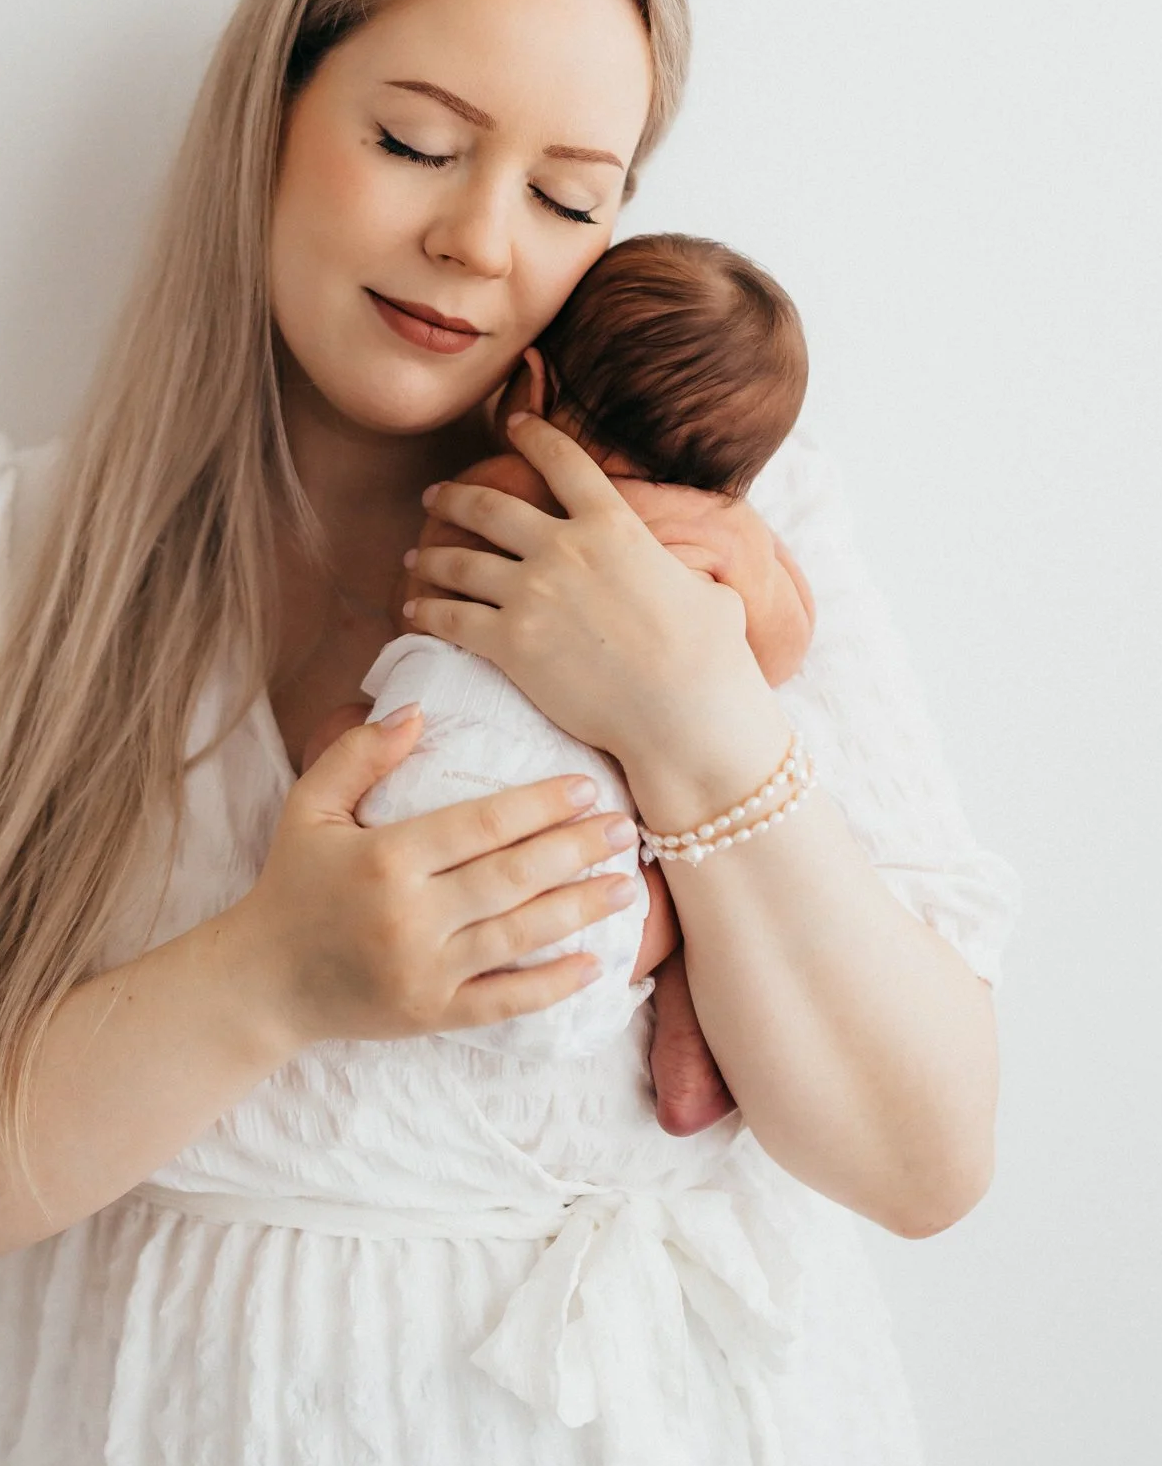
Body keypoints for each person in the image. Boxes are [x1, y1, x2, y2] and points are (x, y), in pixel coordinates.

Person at [0, 0, 1021, 1466]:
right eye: (417, 140)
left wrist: (690, 711)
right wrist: (271, 974)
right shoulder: (13, 552)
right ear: (272, 115)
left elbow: (923, 1154)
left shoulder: (737, 549)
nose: (477, 240)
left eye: (570, 194)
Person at [301, 230, 818, 1139]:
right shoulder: (729, 550)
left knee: (346, 730)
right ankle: (682, 1016)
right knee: (691, 871)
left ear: (528, 389)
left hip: (418, 853)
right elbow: (780, 658)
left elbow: (420, 591)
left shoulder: (507, 483)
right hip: (594, 912)